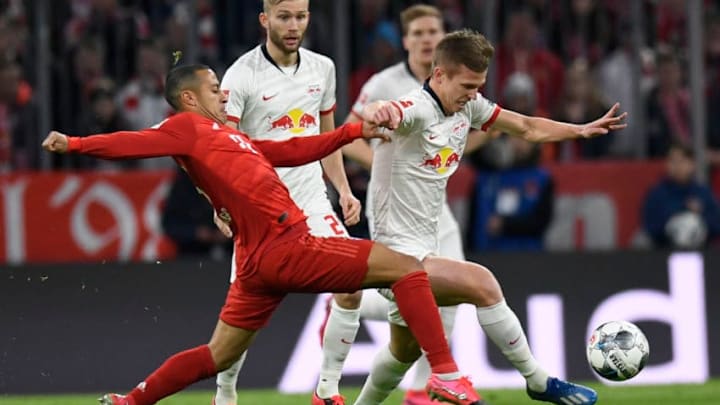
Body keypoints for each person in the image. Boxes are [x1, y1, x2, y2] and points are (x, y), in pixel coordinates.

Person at [42, 64, 487, 405]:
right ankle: (444, 373)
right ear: (188, 97)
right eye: (214, 89)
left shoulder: (228, 137)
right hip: (288, 246)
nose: (223, 95)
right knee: (406, 269)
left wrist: (353, 131)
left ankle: (131, 400)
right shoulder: (185, 127)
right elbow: (134, 143)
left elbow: (291, 150)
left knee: (217, 355)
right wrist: (77, 144)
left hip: (257, 264)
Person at [353, 29, 626, 405]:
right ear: (439, 76)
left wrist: (579, 129)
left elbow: (528, 127)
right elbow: (385, 112)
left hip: (421, 248)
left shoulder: (469, 107)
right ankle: (537, 380)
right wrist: (375, 111)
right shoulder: (415, 110)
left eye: (478, 85)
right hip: (395, 256)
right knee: (482, 283)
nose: (472, 93)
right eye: (466, 85)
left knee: (403, 353)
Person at [215, 1, 363, 404]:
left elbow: (325, 138)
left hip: (312, 201)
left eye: (300, 16)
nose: (293, 25)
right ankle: (225, 392)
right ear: (265, 20)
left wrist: (344, 190)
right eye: (284, 17)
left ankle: (327, 390)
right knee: (240, 321)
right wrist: (221, 204)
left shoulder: (323, 68)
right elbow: (220, 149)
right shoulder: (241, 76)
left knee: (352, 288)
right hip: (259, 210)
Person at [340, 5, 468, 404]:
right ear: (405, 40)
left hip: (434, 205)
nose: (427, 39)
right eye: (418, 33)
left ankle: (422, 388)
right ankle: (350, 302)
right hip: (394, 207)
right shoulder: (384, 83)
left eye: (434, 31)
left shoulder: (455, 80)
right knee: (407, 295)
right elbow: (349, 134)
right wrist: (382, 161)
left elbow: (476, 127)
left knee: (455, 291)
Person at [641, 143, 720, 249]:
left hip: (701, 249)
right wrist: (682, 208)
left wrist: (701, 214)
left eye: (681, 161)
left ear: (692, 164)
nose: (677, 166)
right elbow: (649, 225)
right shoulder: (657, 193)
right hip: (663, 249)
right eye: (672, 161)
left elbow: (716, 224)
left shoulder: (702, 192)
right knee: (640, 240)